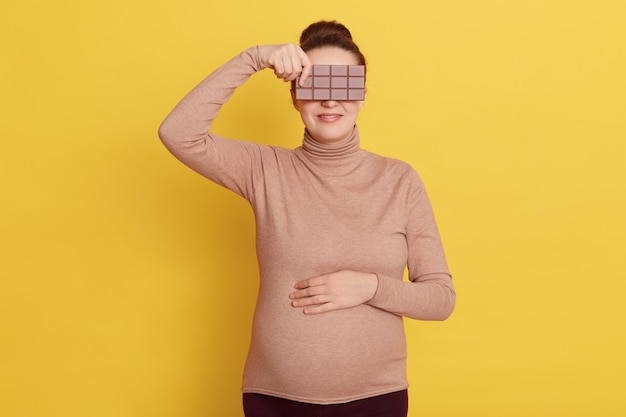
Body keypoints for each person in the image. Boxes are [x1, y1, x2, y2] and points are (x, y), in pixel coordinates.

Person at [159, 20, 455, 417]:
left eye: (344, 86)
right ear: (296, 96)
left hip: (376, 400)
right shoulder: (265, 170)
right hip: (274, 399)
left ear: (362, 95)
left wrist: (370, 287)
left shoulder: (400, 180)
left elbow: (441, 299)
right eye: (315, 85)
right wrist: (254, 57)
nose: (330, 101)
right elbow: (178, 133)